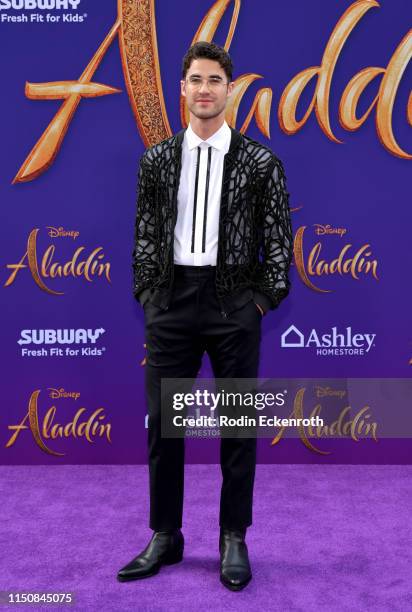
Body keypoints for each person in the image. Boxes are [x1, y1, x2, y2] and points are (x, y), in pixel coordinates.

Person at [117, 41, 293, 591]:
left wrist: (259, 302)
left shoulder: (261, 162)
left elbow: (280, 245)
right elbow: (145, 236)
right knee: (164, 428)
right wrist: (151, 296)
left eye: (215, 80)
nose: (205, 89)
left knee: (238, 428)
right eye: (195, 79)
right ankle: (165, 535)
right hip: (171, 300)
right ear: (183, 89)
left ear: (229, 89)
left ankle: (233, 536)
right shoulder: (158, 161)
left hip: (233, 302)